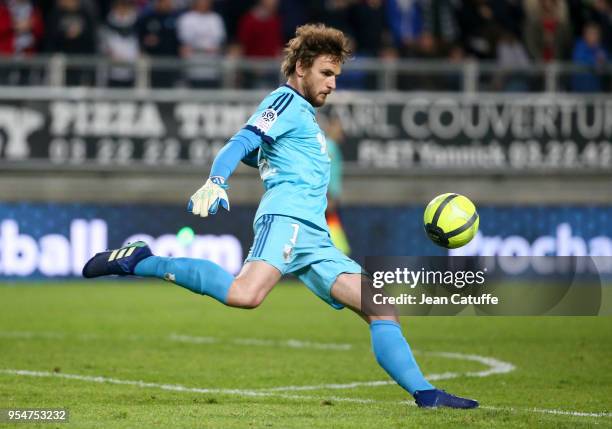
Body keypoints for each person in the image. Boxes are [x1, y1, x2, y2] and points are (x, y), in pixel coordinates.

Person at [82, 23, 478, 410]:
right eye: (326, 73)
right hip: (286, 218)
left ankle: (427, 396)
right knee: (245, 295)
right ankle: (143, 261)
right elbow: (241, 141)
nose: (332, 84)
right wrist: (217, 180)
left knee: (379, 306)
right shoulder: (284, 102)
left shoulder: (302, 114)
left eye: (336, 75)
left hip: (315, 235)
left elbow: (263, 154)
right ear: (301, 67)